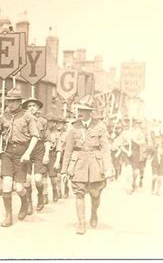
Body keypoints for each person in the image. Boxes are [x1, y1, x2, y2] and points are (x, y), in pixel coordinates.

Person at [61, 95, 114, 235]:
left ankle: (94, 212)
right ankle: (81, 223)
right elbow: (68, 150)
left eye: (84, 110)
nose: (80, 112)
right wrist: (64, 170)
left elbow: (105, 148)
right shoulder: (74, 127)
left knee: (95, 194)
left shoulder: (100, 126)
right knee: (79, 194)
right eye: (79, 109)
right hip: (78, 163)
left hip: (96, 164)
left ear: (90, 112)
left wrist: (108, 167)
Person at [0, 88, 39, 227]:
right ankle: (8, 216)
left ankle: (25, 202)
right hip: (7, 152)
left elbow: (35, 136)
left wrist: (28, 153)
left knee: (19, 188)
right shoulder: (3, 116)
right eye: (9, 101)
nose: (11, 104)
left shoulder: (27, 116)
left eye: (14, 101)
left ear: (20, 102)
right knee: (7, 183)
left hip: (22, 152)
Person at [22, 97, 49, 212]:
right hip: (26, 149)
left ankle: (40, 196)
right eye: (29, 106)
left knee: (38, 179)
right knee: (27, 179)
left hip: (39, 149)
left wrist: (46, 154)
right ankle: (28, 202)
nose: (31, 108)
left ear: (38, 107)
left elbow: (47, 139)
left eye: (34, 105)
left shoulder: (43, 121)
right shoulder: (22, 120)